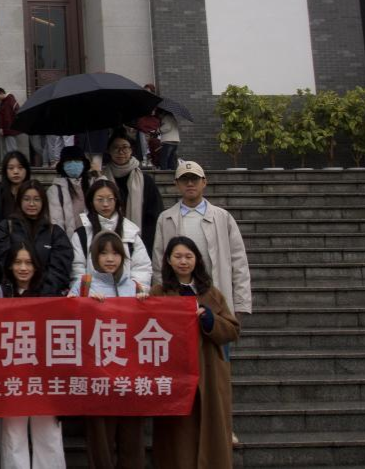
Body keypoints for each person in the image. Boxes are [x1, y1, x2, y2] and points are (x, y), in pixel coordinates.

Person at [151, 237, 240, 468]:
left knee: (210, 428)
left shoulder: (211, 293)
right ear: (168, 260)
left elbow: (232, 330)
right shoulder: (159, 292)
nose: (183, 262)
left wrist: (211, 321)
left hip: (208, 372)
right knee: (179, 436)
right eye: (178, 256)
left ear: (197, 260)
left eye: (188, 256)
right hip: (174, 373)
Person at [70, 232, 148, 468]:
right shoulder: (83, 284)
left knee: (131, 438)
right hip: (97, 373)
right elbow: (66, 316)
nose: (110, 259)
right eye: (103, 253)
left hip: (130, 373)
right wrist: (84, 303)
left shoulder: (135, 286)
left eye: (115, 253)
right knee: (100, 438)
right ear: (94, 257)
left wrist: (147, 304)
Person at [0, 246, 66, 469]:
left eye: (29, 262)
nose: (23, 268)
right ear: (9, 266)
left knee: (48, 434)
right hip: (10, 373)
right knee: (13, 435)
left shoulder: (50, 293)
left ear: (37, 266)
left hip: (44, 374)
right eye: (18, 262)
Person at [151, 161, 252, 321]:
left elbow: (239, 263)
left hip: (216, 296)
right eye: (184, 179)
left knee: (217, 334)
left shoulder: (223, 217)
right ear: (176, 184)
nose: (190, 184)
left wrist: (241, 303)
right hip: (178, 299)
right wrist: (161, 300)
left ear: (204, 182)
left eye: (195, 179)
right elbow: (159, 263)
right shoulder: (166, 219)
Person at [69, 178, 152, 292]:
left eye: (110, 199)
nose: (105, 204)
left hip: (127, 298)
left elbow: (141, 267)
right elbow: (77, 269)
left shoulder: (130, 231)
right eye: (100, 199)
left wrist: (134, 292)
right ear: (91, 202)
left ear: (116, 201)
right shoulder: (82, 235)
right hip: (93, 297)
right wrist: (87, 293)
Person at [0, 180, 73, 296]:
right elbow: (3, 263)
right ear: (19, 201)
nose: (31, 204)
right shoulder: (5, 228)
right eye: (26, 199)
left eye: (36, 199)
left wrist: (41, 292)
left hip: (47, 297)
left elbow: (60, 269)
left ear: (43, 202)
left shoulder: (55, 232)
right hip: (13, 295)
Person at [101, 130, 164, 254]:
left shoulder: (145, 180)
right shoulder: (102, 180)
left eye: (125, 147)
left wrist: (144, 244)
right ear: (109, 151)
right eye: (116, 148)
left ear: (131, 150)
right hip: (108, 243)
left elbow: (154, 215)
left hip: (140, 243)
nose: (121, 152)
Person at [46, 145, 89, 235]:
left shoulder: (92, 184)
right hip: (69, 240)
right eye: (69, 161)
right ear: (63, 165)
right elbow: (56, 222)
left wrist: (99, 175)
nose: (73, 163)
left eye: (77, 160)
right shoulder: (55, 190)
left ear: (83, 163)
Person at [0, 88, 23, 158]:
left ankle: (15, 161)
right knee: (9, 148)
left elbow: (17, 112)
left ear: (1, 93)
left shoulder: (10, 100)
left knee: (11, 148)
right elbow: (3, 115)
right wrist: (1, 127)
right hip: (7, 129)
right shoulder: (4, 102)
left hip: (10, 128)